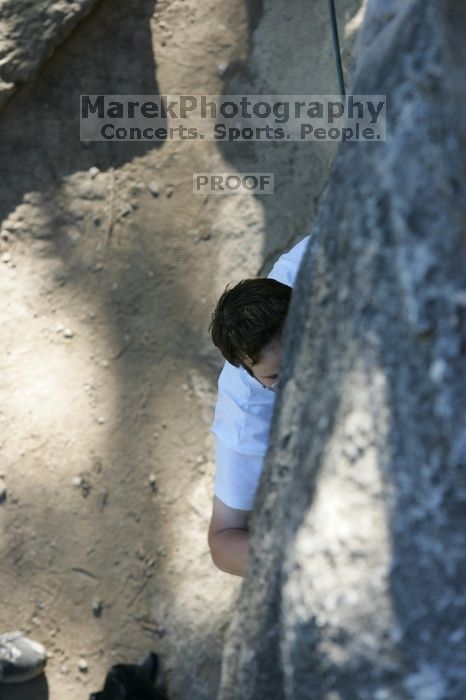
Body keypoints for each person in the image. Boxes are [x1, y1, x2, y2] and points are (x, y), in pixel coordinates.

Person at [207, 235, 311, 577]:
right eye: (279, 376)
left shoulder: (314, 261)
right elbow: (223, 541)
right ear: (247, 369)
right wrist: (305, 557)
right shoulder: (244, 415)